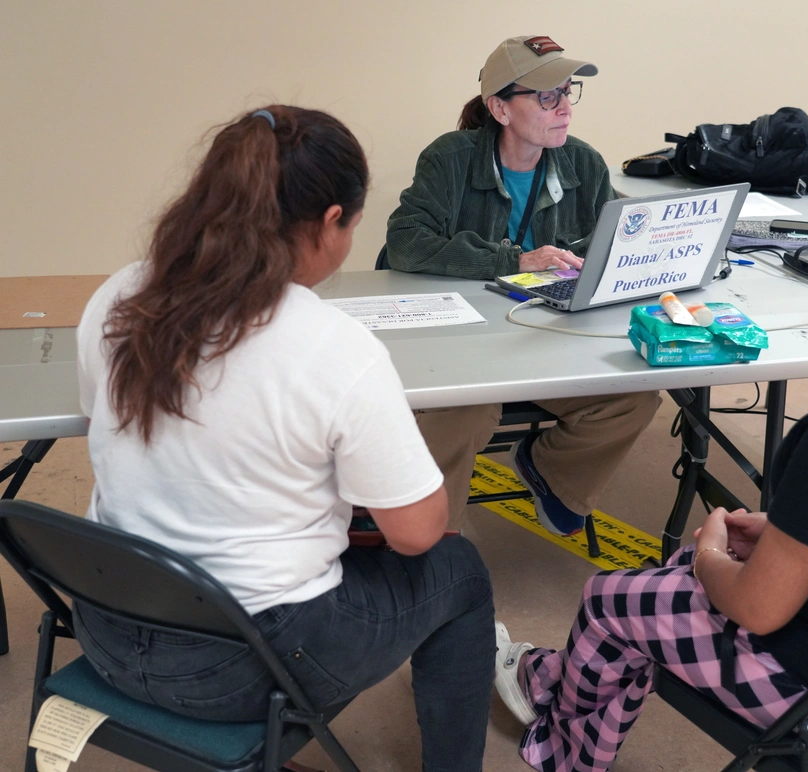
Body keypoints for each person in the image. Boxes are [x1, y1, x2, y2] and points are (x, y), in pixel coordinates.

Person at [492, 163, 808, 771]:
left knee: (613, 599)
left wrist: (709, 554)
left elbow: (758, 611)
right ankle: (553, 677)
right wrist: (789, 533)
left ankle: (562, 752)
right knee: (675, 577)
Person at [73, 105, 494, 772]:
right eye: (353, 226)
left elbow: (113, 438)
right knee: (458, 568)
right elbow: (415, 534)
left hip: (105, 629)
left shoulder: (120, 295)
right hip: (244, 666)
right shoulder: (333, 348)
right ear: (330, 222)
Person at [385, 35, 661, 534]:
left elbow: (612, 240)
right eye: (546, 95)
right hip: (468, 343)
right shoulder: (449, 158)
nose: (564, 109)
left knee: (633, 397)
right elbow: (406, 242)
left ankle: (552, 470)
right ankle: (431, 545)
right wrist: (513, 259)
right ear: (500, 108)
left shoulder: (582, 162)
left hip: (549, 336)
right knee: (462, 413)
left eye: (567, 92)